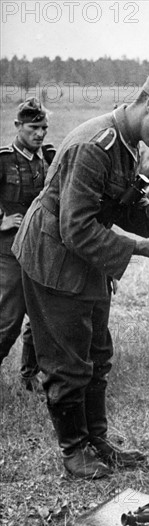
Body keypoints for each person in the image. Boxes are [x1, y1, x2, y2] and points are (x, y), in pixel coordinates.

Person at [12, 71, 149, 479]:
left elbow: (117, 202)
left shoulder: (127, 144)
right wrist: (136, 247)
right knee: (68, 359)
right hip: (54, 256)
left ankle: (96, 440)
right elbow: (76, 227)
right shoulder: (94, 145)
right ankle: (73, 450)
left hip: (84, 256)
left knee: (98, 354)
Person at [0, 98, 55, 390]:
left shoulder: (49, 157)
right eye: (34, 127)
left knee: (41, 318)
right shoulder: (3, 159)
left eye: (44, 127)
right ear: (18, 126)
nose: (40, 134)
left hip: (41, 249)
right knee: (8, 320)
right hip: (9, 252)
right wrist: (1, 221)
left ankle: (29, 375)